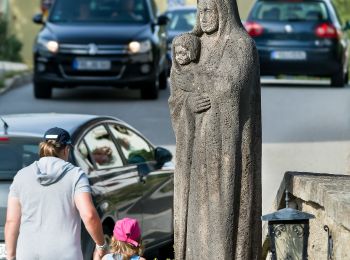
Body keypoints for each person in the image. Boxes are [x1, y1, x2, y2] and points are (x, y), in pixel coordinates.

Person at [169, 0, 262, 259]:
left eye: (209, 10)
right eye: (200, 11)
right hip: (194, 153)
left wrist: (189, 80)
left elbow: (227, 87)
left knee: (221, 223)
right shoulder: (192, 45)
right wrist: (188, 103)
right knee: (193, 221)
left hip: (226, 152)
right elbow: (176, 94)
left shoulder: (240, 45)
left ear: (224, 10)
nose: (204, 16)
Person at [5, 127, 108, 260]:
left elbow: (12, 221)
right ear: (66, 149)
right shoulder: (75, 175)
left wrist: (11, 256)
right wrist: (101, 245)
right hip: (65, 253)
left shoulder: (21, 175)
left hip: (28, 252)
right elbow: (89, 215)